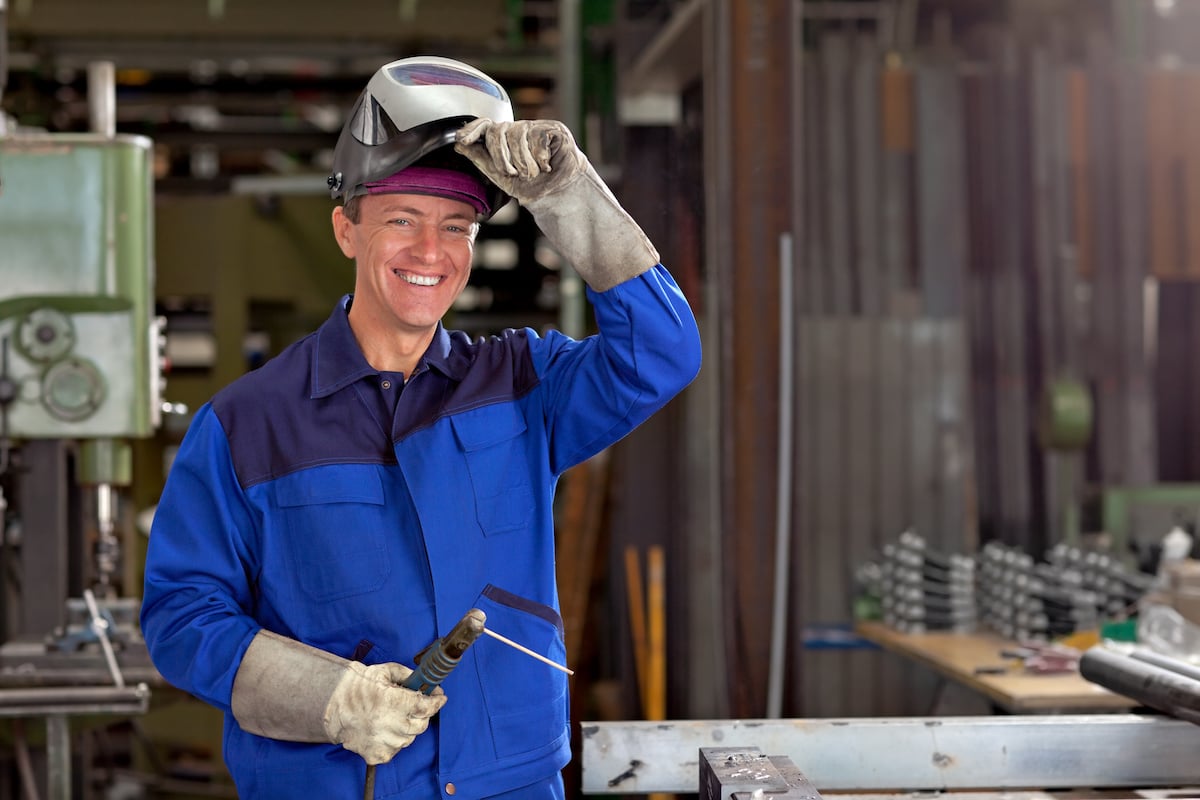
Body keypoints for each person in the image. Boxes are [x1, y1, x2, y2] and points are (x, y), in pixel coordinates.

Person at [140, 55, 701, 799]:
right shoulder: (248, 425)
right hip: (334, 785)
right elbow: (182, 617)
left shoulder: (522, 385)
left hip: (509, 784)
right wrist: (329, 699)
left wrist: (573, 200)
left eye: (457, 227)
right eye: (401, 220)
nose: (431, 253)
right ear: (346, 230)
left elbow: (663, 354)